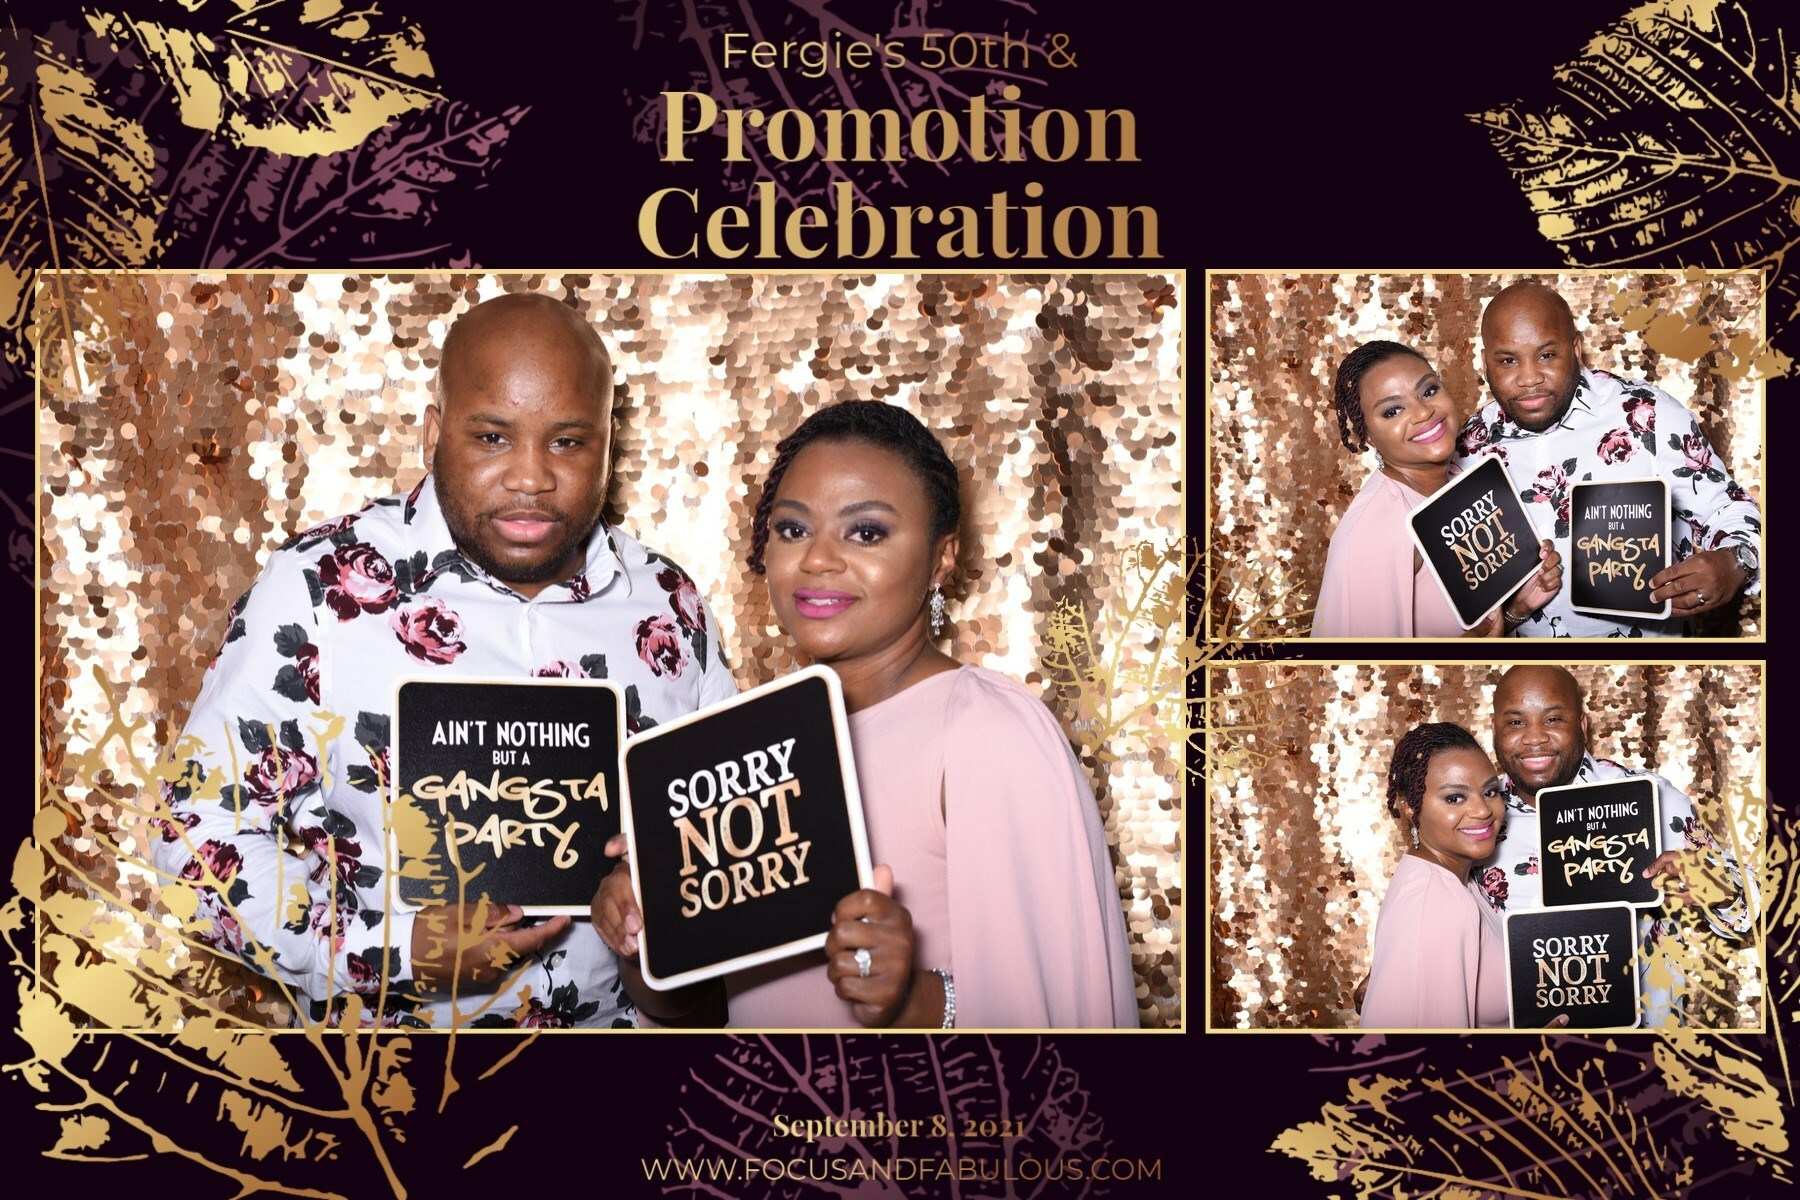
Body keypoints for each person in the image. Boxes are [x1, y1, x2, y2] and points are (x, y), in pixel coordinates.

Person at [151, 293, 738, 1028]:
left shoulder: (667, 602)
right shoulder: (319, 589)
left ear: (609, 443)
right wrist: (391, 951)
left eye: (567, 442)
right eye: (492, 437)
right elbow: (193, 835)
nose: (530, 477)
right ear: (434, 433)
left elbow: (725, 837)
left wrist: (660, 892)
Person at [591, 400, 1137, 1028]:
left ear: (942, 558)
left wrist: (910, 997)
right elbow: (707, 1010)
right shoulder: (743, 746)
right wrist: (644, 933)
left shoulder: (987, 730)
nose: (818, 559)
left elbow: (1058, 1026)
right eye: (792, 529)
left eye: (867, 532)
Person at [1453, 281, 1761, 637]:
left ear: (1576, 349)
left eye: (1547, 355)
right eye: (1508, 360)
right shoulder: (1470, 444)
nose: (1529, 378)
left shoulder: (1647, 414)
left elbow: (1727, 508)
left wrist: (1736, 562)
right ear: (1486, 363)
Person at [1476, 665, 1754, 1027]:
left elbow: (1752, 912)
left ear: (1583, 725)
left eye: (1553, 719)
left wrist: (1719, 886)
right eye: (1515, 722)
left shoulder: (1650, 799)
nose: (1534, 738)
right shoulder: (1476, 815)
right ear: (1494, 730)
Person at [1311, 340, 1562, 637]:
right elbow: (1358, 664)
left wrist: (1516, 609)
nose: (1422, 412)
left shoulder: (1462, 481)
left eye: (1428, 391)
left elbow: (1475, 632)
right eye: (1392, 411)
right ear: (1365, 435)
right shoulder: (1373, 531)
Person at [1360, 723, 1517, 1029]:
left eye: (1489, 792)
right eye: (1454, 798)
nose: (1483, 810)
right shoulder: (1438, 902)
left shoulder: (1458, 880)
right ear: (1410, 805)